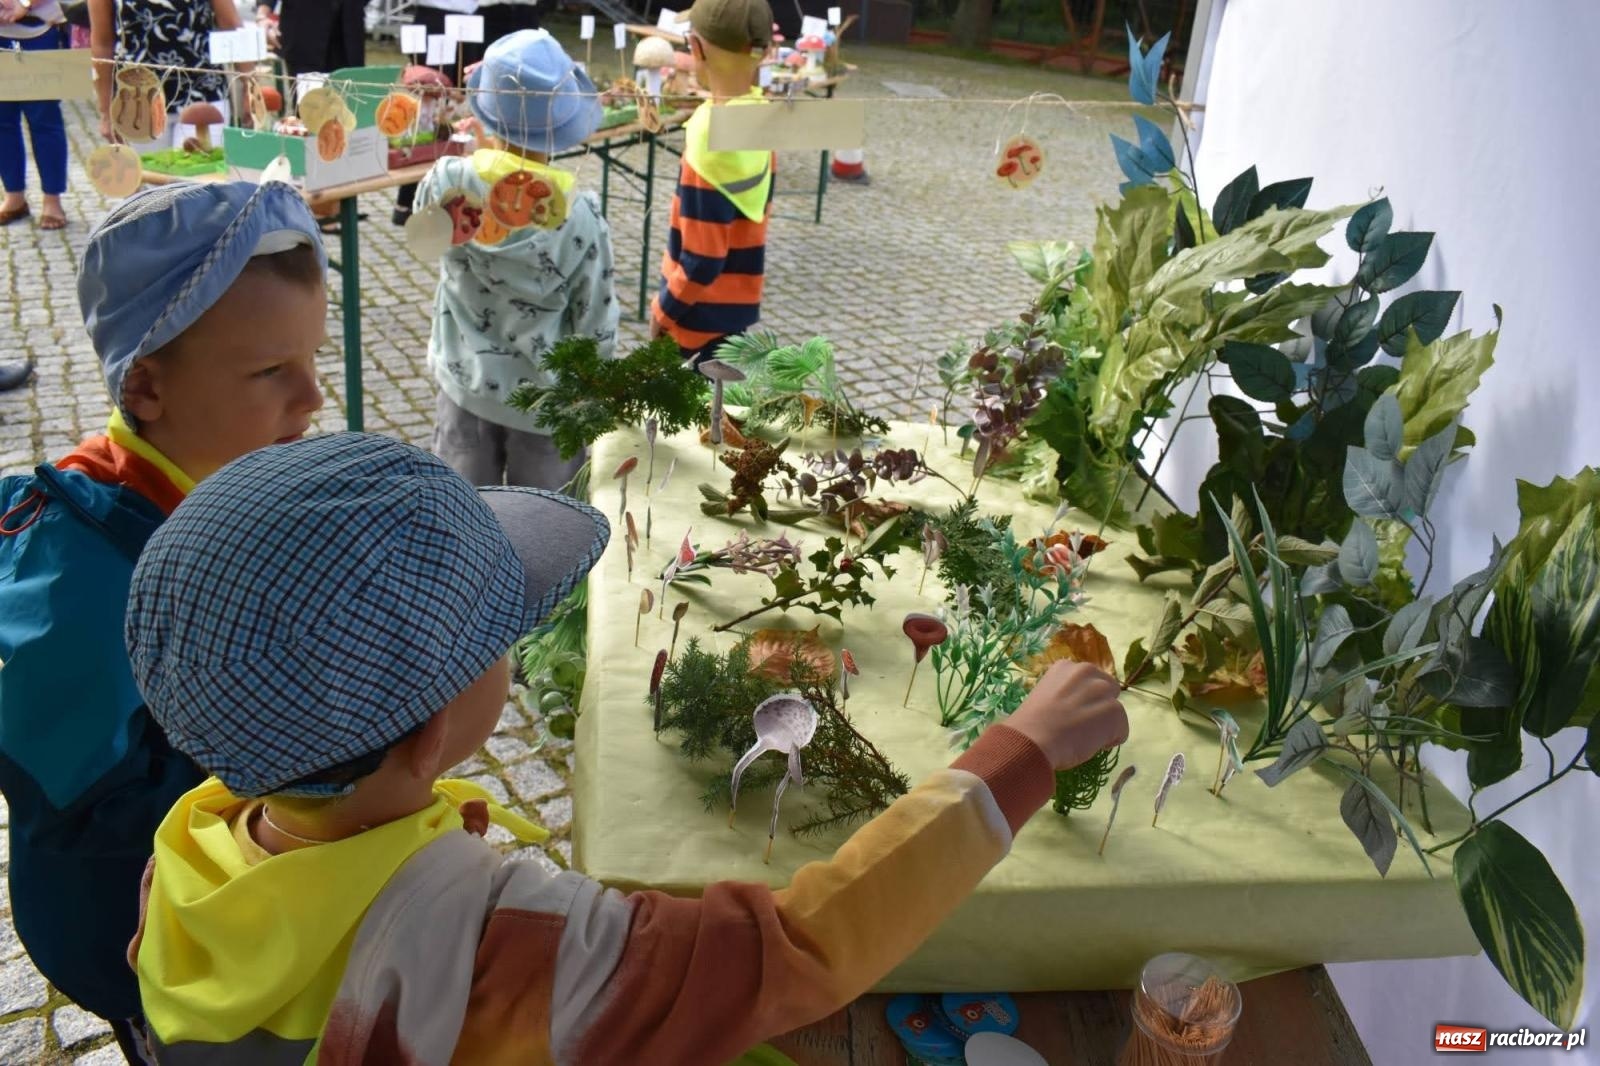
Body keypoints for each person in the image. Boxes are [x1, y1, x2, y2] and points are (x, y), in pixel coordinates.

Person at [124, 431, 1127, 1063]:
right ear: (436, 728)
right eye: (500, 626)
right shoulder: (518, 940)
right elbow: (789, 953)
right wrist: (1019, 752)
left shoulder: (191, 856)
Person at [0, 179, 327, 1064]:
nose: (313, 398)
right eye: (272, 372)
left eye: (312, 360)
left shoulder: (218, 471)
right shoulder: (81, 576)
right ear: (145, 388)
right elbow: (85, 813)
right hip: (146, 938)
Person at [415, 29, 618, 490]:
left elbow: (421, 233)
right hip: (547, 400)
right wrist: (593, 390)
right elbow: (596, 317)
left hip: (466, 384)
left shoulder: (448, 181)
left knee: (465, 517)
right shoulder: (580, 215)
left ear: (484, 108)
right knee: (548, 527)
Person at [651, 0, 776, 362]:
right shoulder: (761, 119)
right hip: (735, 310)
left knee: (695, 415)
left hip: (693, 319)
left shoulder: (707, 140)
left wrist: (663, 311)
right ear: (765, 51)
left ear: (696, 48)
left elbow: (703, 258)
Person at [393, 0, 542, 226]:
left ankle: (461, 196)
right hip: (439, 14)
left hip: (479, 15)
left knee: (463, 111)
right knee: (431, 108)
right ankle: (411, 200)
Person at [88, 0, 240, 150]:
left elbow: (231, 25)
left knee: (202, 171)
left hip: (204, 93)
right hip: (138, 102)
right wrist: (106, 111)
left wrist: (248, 87)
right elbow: (102, 44)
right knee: (151, 172)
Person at [0, 0, 69, 229]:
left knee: (45, 120)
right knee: (2, 122)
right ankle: (14, 197)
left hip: (41, 30)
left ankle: (52, 200)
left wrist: (24, 3)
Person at [257, 0, 364, 77]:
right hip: (304, 31)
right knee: (306, 101)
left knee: (350, 99)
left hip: (349, 34)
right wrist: (262, 15)